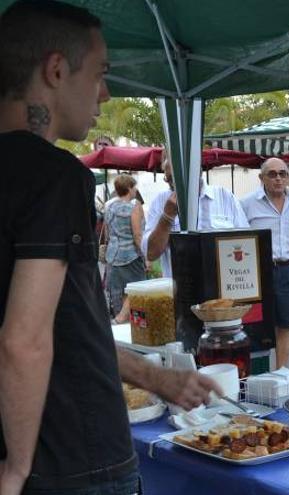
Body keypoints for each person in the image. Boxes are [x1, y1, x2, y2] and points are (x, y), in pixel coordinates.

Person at [0, 2, 220, 493]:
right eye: (99, 73)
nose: (104, 92)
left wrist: (156, 378)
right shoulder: (54, 177)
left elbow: (69, 323)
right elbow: (25, 338)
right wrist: (15, 467)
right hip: (72, 457)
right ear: (56, 70)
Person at [241, 158, 289, 370]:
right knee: (254, 325)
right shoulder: (246, 203)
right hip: (259, 272)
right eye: (272, 174)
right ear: (261, 178)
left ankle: (281, 373)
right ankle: (256, 375)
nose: (278, 178)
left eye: (282, 173)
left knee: (285, 325)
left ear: (288, 177)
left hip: (288, 269)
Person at [143, 158, 249, 277]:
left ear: (198, 172)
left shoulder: (224, 196)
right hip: (180, 287)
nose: (174, 184)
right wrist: (167, 217)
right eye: (170, 179)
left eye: (180, 178)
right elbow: (151, 254)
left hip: (222, 283)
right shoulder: (160, 202)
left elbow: (246, 242)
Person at [104, 174, 146, 324]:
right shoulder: (134, 206)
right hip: (131, 255)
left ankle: (125, 323)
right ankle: (122, 319)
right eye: (134, 186)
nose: (135, 190)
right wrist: (145, 256)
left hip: (113, 256)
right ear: (129, 188)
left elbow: (108, 233)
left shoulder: (109, 206)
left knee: (121, 292)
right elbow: (137, 234)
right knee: (137, 289)